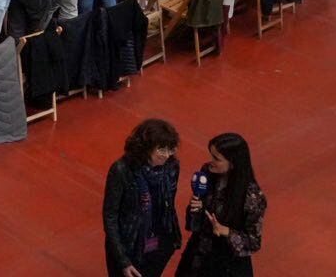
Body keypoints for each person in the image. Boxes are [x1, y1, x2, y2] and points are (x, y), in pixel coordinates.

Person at [102, 118, 182, 277]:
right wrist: (123, 260)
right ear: (145, 147)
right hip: (130, 244)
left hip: (159, 244)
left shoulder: (171, 166)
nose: (166, 155)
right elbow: (110, 216)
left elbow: (168, 204)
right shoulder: (121, 170)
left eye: (170, 149)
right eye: (161, 149)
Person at [179, 133, 266, 276]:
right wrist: (196, 209)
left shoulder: (253, 197)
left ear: (233, 163)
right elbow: (193, 225)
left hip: (227, 266)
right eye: (211, 155)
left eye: (216, 158)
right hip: (197, 257)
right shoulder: (207, 172)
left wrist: (226, 231)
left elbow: (253, 242)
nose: (210, 161)